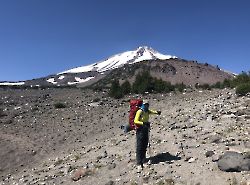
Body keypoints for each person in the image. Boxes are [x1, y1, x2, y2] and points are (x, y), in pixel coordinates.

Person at [134, 100, 161, 172]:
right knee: (140, 146)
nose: (146, 106)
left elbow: (152, 111)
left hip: (146, 129)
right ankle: (139, 163)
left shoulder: (147, 111)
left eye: (147, 105)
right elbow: (135, 121)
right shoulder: (140, 111)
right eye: (145, 104)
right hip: (140, 129)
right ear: (143, 105)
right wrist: (143, 123)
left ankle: (144, 160)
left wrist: (157, 112)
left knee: (145, 144)